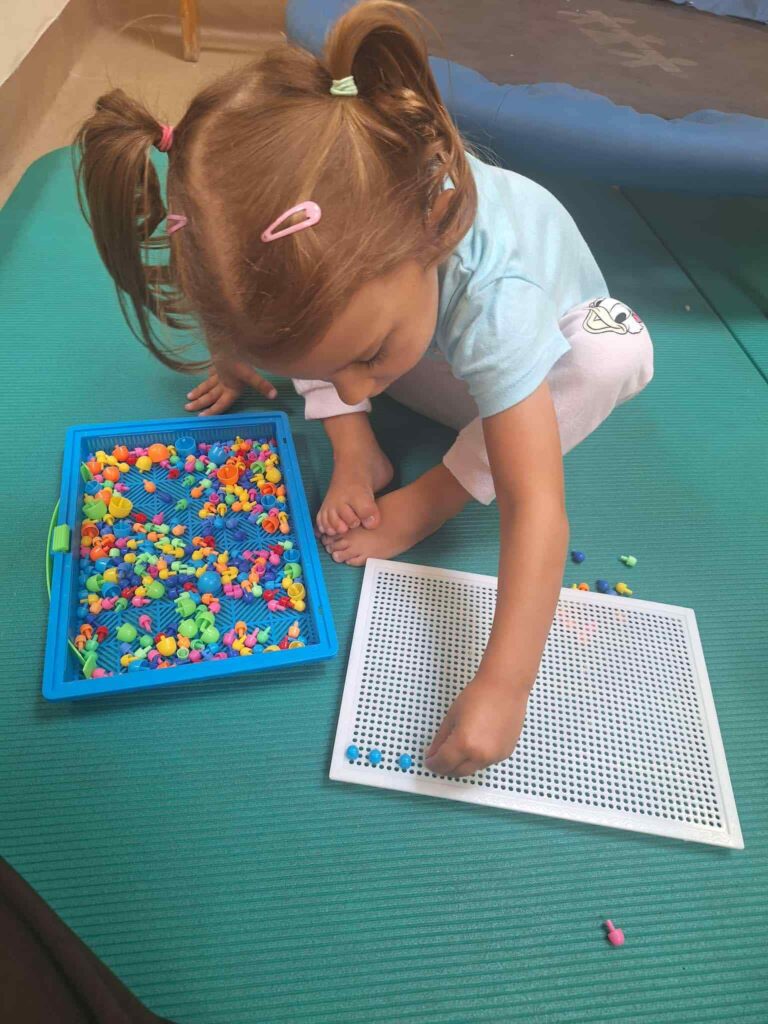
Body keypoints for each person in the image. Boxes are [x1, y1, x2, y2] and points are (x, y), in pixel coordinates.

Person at [75, 1, 652, 777]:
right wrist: (238, 353)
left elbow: (537, 505)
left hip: (535, 366)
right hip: (428, 349)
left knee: (618, 349)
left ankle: (431, 492)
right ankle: (363, 453)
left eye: (363, 361)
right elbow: (244, 284)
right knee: (302, 317)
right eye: (331, 371)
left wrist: (506, 685)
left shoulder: (499, 294)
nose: (348, 386)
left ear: (430, 233)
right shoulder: (348, 283)